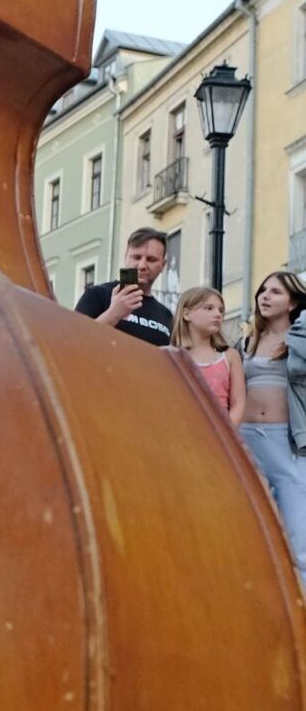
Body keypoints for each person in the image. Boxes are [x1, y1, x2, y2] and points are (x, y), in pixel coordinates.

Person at [239, 270, 306, 578]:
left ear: (293, 302)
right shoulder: (247, 341)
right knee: (252, 527)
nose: (264, 296)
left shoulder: (301, 337)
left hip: (287, 442)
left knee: (299, 533)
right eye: (262, 290)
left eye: (275, 292)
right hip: (247, 440)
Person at [74, 230, 173, 347]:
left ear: (163, 264)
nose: (142, 266)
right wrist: (113, 314)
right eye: (136, 257)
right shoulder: (98, 294)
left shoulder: (166, 315)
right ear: (126, 257)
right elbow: (73, 340)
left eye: (151, 259)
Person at [171, 288, 245, 425]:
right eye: (209, 308)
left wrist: (226, 431)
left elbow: (238, 403)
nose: (217, 314)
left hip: (219, 434)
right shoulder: (171, 355)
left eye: (221, 310)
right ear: (186, 314)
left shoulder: (229, 356)